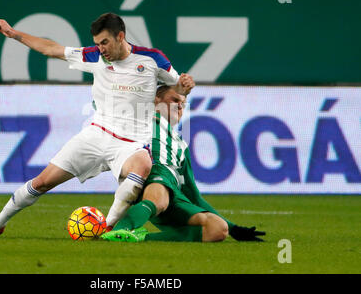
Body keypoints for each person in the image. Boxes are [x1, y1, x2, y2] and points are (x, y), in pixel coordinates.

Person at [0, 13, 195, 237]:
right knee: (42, 182)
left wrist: (185, 86)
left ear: (120, 37)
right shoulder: (95, 57)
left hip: (131, 144)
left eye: (105, 42)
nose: (101, 48)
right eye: (97, 43)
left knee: (142, 164)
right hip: (96, 136)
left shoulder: (152, 59)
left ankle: (109, 228)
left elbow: (177, 88)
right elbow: (51, 49)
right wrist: (13, 33)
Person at [101, 85, 266, 242]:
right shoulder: (143, 120)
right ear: (156, 100)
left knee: (217, 229)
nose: (180, 107)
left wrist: (234, 228)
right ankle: (117, 231)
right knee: (159, 197)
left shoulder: (180, 145)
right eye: (174, 100)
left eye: (183, 104)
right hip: (152, 171)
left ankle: (139, 237)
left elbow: (194, 196)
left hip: (174, 191)